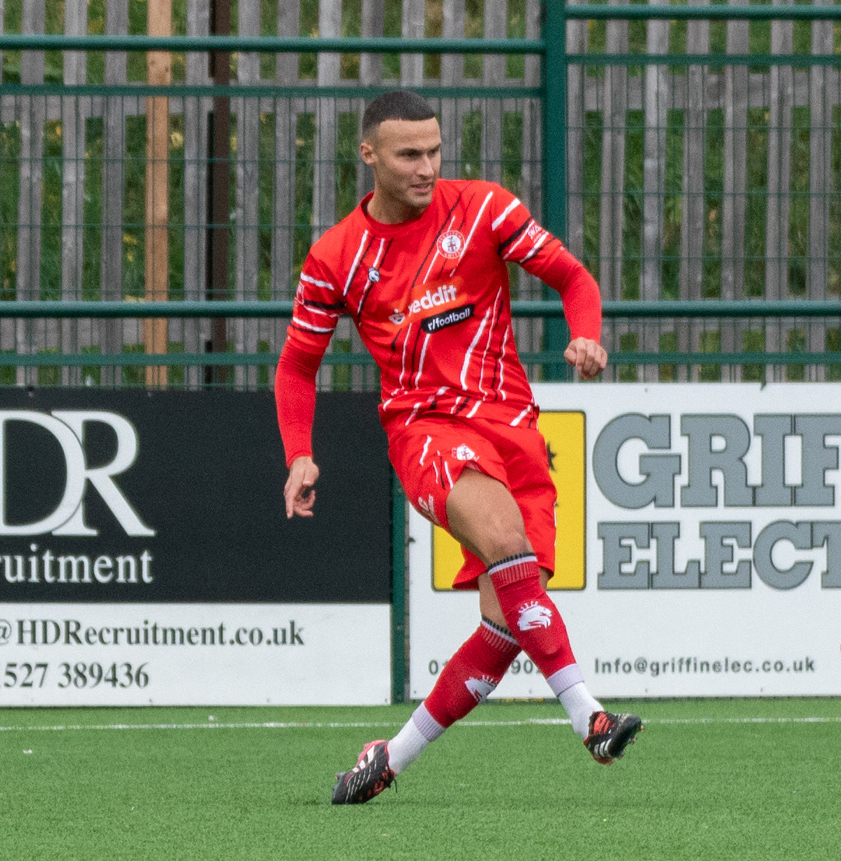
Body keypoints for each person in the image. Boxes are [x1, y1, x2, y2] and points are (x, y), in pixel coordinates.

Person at [275, 89, 641, 805]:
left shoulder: (482, 208)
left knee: (504, 628)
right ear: (369, 154)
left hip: (513, 428)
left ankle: (388, 756)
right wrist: (299, 451)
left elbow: (571, 276)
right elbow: (297, 366)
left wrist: (586, 333)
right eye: (408, 154)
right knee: (505, 540)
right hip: (427, 429)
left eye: (435, 151)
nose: (426, 167)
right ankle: (589, 716)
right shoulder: (336, 256)